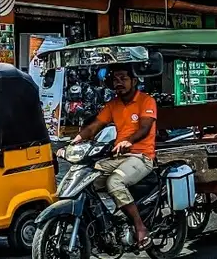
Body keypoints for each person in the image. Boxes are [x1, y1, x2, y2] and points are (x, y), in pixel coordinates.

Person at [66, 67, 157, 249]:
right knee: (86, 180)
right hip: (117, 156)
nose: (119, 82)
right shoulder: (113, 105)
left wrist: (127, 142)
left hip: (141, 157)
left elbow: (144, 128)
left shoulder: (146, 101)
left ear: (134, 81)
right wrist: (75, 140)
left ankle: (140, 227)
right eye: (115, 79)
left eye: (123, 78)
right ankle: (105, 223)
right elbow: (94, 127)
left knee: (114, 183)